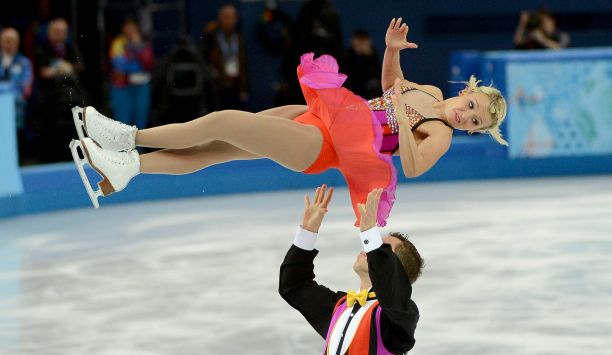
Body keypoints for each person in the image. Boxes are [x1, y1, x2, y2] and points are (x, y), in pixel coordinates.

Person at [70, 17, 507, 225]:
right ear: (467, 91)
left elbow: (410, 166)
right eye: (473, 107)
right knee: (218, 150)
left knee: (224, 122)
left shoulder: (440, 135)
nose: (466, 117)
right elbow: (392, 86)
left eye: (476, 122)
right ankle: (130, 165)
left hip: (324, 148)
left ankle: (128, 138)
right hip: (323, 114)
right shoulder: (430, 92)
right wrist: (392, 50)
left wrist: (402, 112)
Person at [279, 185, 422, 355]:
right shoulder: (339, 307)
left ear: (393, 270)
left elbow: (392, 290)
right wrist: (306, 234)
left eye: (382, 249)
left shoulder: (400, 315)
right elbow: (294, 286)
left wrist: (370, 234)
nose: (370, 249)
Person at [35, 17, 85, 163]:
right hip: (50, 100)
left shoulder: (71, 47)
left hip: (71, 98)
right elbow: (43, 71)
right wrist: (60, 68)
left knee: (72, 131)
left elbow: (80, 66)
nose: (59, 34)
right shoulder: (42, 48)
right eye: (56, 31)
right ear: (49, 33)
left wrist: (69, 68)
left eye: (62, 31)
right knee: (51, 134)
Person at [109, 18, 154, 129]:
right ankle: (123, 147)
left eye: (132, 28)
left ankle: (139, 147)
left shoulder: (143, 44)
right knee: (122, 124)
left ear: (137, 29)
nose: (130, 31)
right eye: (127, 28)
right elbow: (120, 66)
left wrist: (137, 47)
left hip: (141, 88)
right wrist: (137, 64)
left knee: (141, 123)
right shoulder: (117, 43)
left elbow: (149, 63)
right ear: (123, 29)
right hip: (122, 88)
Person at [203, 4, 247, 110]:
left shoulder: (238, 37)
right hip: (218, 85)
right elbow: (204, 55)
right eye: (226, 17)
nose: (229, 21)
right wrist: (206, 34)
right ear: (220, 18)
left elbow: (243, 63)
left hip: (235, 84)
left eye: (231, 17)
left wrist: (244, 88)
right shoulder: (213, 35)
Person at [0, 27, 33, 162]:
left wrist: (5, 92)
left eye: (12, 41)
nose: (9, 43)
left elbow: (25, 87)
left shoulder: (24, 62)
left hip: (16, 110)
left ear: (17, 43)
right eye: (6, 40)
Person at [341, 29, 380, 100]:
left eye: (363, 41)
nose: (361, 44)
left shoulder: (372, 55)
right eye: (358, 41)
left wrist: (369, 56)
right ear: (352, 41)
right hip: (352, 89)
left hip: (369, 91)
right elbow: (346, 74)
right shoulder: (347, 54)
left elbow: (376, 74)